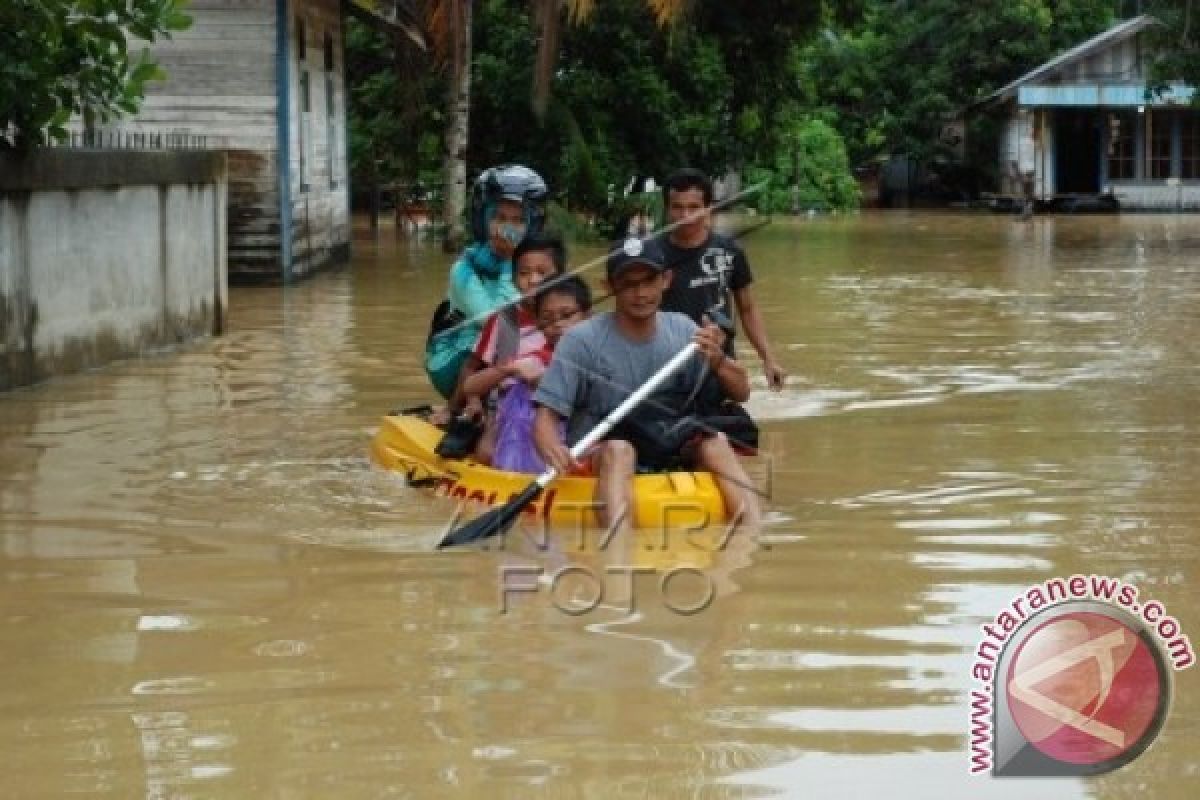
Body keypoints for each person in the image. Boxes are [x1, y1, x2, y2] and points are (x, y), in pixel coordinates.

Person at [533, 237, 762, 531]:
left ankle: (752, 533)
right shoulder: (580, 341)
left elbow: (741, 393)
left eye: (649, 281)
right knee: (619, 450)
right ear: (609, 287)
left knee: (715, 442)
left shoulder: (684, 330)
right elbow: (545, 416)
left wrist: (718, 360)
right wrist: (551, 446)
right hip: (605, 444)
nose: (640, 293)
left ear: (666, 280)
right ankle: (617, 552)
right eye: (628, 284)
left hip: (665, 437)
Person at [423, 165, 548, 408]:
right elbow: (496, 320)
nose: (507, 228)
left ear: (531, 225)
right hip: (455, 358)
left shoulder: (537, 265)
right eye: (499, 218)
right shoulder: (464, 270)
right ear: (484, 220)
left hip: (507, 354)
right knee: (506, 332)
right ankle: (466, 409)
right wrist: (508, 264)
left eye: (518, 220)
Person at [658, 167, 786, 390]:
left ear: (708, 209)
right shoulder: (651, 255)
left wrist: (768, 358)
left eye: (693, 207)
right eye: (677, 207)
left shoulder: (729, 251)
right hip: (666, 363)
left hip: (719, 361)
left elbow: (747, 308)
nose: (685, 216)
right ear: (667, 210)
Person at [459, 233, 566, 464]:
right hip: (508, 406)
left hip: (560, 405)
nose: (533, 280)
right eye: (524, 273)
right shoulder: (503, 319)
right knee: (487, 453)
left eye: (542, 272)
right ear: (515, 278)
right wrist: (472, 402)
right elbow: (471, 367)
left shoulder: (576, 318)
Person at [485, 274, 593, 473]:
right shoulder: (536, 357)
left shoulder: (600, 354)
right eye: (547, 319)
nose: (558, 325)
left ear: (588, 316)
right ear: (539, 324)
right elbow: (471, 386)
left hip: (579, 438)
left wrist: (538, 380)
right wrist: (507, 370)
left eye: (567, 315)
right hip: (534, 445)